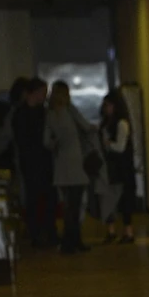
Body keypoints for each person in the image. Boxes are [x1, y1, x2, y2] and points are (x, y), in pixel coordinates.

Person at [43, 81, 96, 254]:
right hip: (76, 163)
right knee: (76, 205)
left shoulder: (50, 114)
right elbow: (86, 126)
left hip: (61, 165)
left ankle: (69, 241)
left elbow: (46, 141)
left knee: (68, 206)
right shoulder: (70, 110)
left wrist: (57, 143)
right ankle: (74, 241)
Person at [13, 77, 59, 248]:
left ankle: (47, 231)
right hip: (32, 162)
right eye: (42, 92)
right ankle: (37, 233)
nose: (44, 96)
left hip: (41, 161)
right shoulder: (22, 114)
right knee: (34, 198)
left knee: (47, 197)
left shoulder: (39, 112)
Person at [100, 90, 136, 244]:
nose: (106, 108)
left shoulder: (121, 124)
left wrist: (108, 144)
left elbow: (120, 147)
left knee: (123, 199)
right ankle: (113, 230)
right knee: (111, 198)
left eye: (108, 105)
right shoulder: (107, 124)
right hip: (113, 166)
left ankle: (127, 231)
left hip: (122, 167)